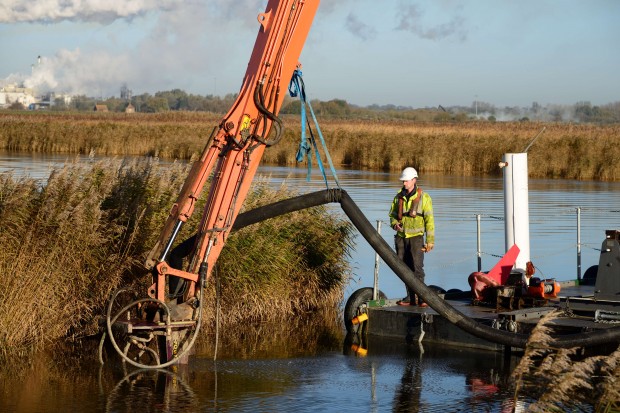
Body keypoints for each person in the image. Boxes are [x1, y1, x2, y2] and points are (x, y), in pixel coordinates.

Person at [389, 167, 435, 306]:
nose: (404, 183)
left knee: (417, 269)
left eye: (406, 181)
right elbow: (392, 215)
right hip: (401, 238)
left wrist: (430, 241)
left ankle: (422, 298)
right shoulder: (398, 197)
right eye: (403, 181)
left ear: (414, 180)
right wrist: (395, 224)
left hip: (416, 238)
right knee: (404, 269)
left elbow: (429, 220)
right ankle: (410, 297)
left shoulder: (424, 198)